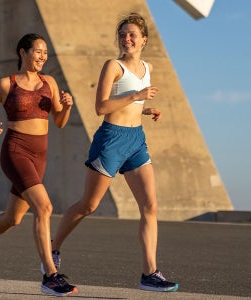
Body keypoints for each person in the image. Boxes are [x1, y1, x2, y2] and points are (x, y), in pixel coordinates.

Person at [48, 13, 178, 292]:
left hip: (136, 141)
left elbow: (130, 104)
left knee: (150, 205)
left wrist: (144, 110)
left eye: (132, 35)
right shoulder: (113, 66)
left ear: (144, 40)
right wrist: (137, 97)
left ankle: (150, 273)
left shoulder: (147, 66)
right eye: (122, 35)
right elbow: (101, 107)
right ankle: (53, 247)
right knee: (89, 205)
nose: (127, 39)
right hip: (110, 140)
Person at [0, 33, 77, 297]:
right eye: (38, 51)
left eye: (46, 53)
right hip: (15, 151)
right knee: (44, 207)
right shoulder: (5, 84)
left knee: (13, 218)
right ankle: (49, 276)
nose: (43, 57)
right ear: (23, 52)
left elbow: (60, 122)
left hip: (39, 156)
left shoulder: (50, 83)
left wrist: (66, 107)